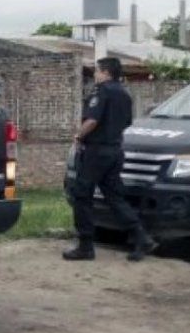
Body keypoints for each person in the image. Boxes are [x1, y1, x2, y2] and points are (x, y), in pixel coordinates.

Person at [64, 57, 158, 262]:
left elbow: (93, 120)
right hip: (115, 151)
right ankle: (141, 236)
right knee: (115, 197)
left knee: (82, 195)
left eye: (97, 71)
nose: (95, 74)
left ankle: (86, 246)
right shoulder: (125, 94)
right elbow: (126, 122)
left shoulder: (102, 91)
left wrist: (79, 136)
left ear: (106, 73)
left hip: (96, 152)